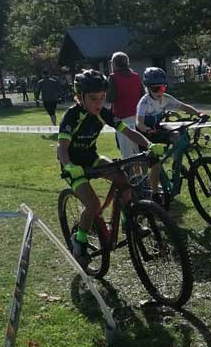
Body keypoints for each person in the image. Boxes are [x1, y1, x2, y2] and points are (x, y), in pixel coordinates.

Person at [57, 69, 150, 267]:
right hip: (73, 164)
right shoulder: (72, 116)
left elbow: (128, 132)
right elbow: (62, 148)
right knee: (93, 204)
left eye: (102, 98)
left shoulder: (103, 113)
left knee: (123, 179)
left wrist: (149, 145)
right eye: (93, 99)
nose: (99, 103)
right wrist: (69, 166)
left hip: (92, 159)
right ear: (80, 97)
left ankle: (128, 222)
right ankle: (79, 239)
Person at [107, 51, 144, 158]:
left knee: (127, 153)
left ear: (114, 63)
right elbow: (142, 95)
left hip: (122, 118)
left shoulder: (113, 77)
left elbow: (109, 98)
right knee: (138, 151)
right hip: (138, 117)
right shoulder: (136, 76)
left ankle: (132, 169)